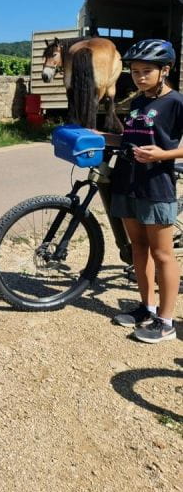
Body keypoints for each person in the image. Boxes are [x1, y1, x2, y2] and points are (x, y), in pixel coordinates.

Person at [106, 39, 181, 342]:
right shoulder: (137, 102)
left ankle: (166, 320)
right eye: (135, 71)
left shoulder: (176, 102)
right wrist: (98, 136)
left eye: (146, 71)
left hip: (156, 184)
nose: (139, 77)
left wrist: (162, 156)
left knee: (163, 253)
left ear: (165, 70)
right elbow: (129, 140)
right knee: (138, 248)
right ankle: (147, 307)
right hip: (127, 182)